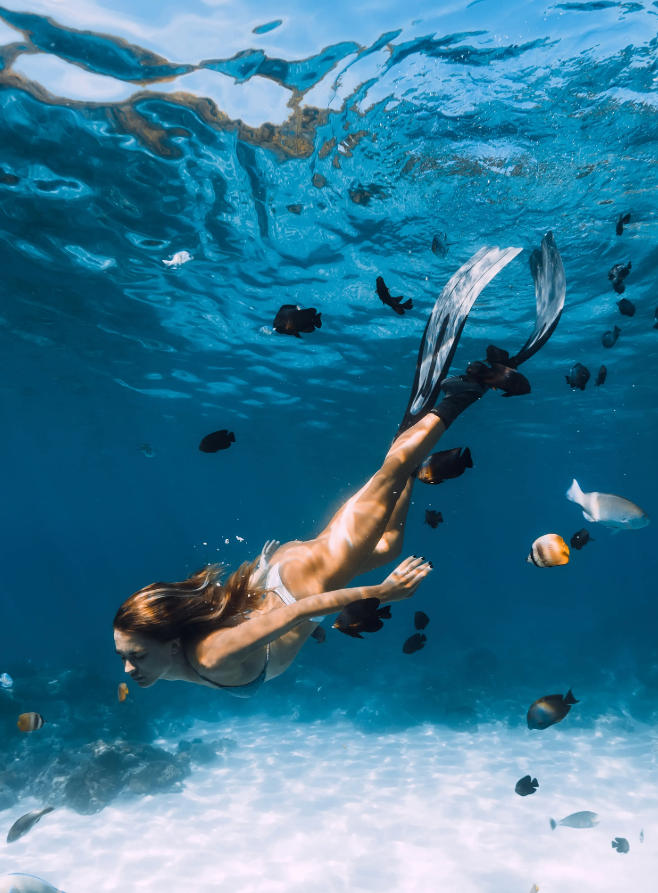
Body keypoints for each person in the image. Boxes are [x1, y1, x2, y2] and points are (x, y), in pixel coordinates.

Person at [114, 235, 565, 697]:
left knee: (387, 478)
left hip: (301, 582)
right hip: (285, 573)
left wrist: (381, 596)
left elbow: (293, 614)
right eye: (127, 656)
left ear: (171, 645)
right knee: (388, 542)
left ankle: (461, 397)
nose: (128, 669)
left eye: (136, 655)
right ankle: (412, 443)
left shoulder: (210, 656)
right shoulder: (188, 651)